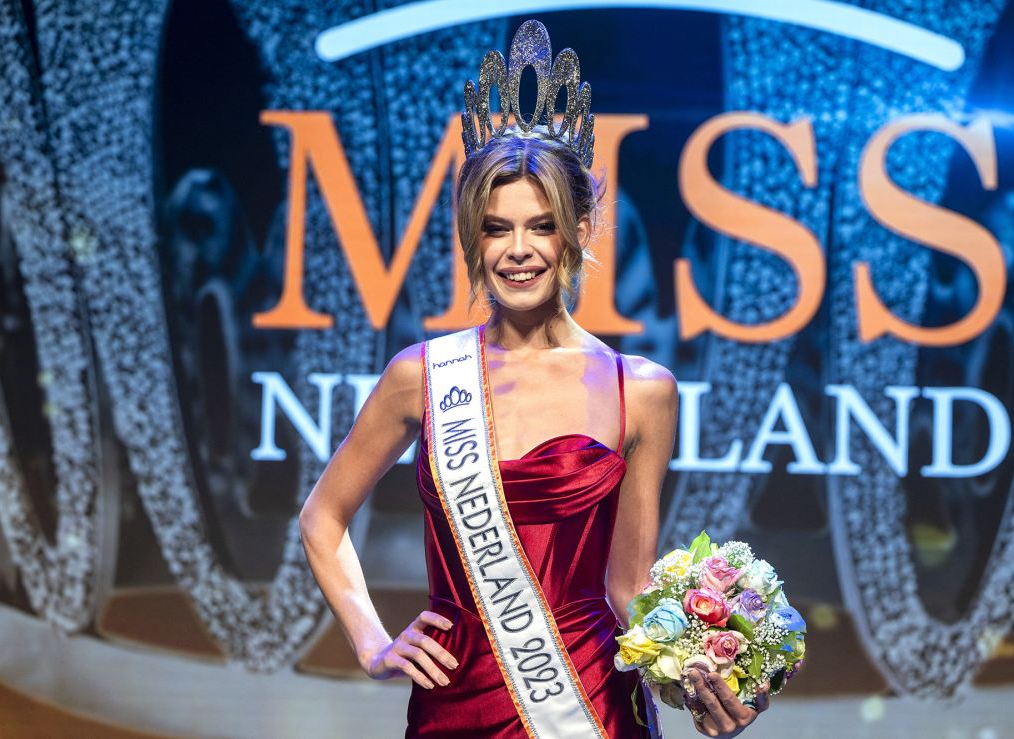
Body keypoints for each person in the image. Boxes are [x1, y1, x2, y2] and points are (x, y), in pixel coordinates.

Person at [298, 20, 767, 738]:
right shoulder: (420, 376)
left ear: (579, 229)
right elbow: (322, 518)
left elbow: (628, 586)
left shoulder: (639, 388)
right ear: (470, 236)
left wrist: (701, 676)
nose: (518, 251)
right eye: (495, 228)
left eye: (541, 226)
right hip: (452, 704)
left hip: (591, 709)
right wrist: (371, 642)